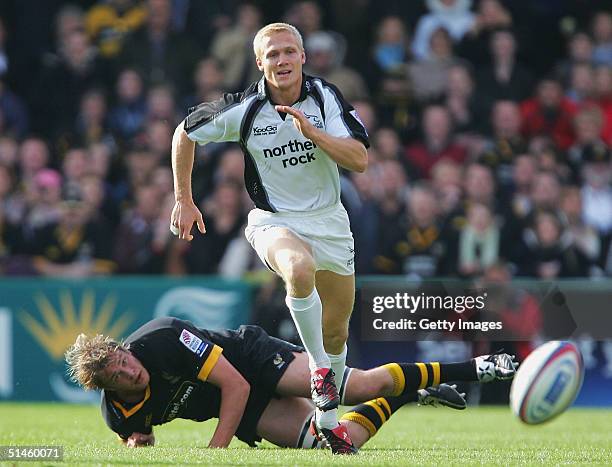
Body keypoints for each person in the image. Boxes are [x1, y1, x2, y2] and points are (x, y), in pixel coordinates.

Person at [170, 23, 369, 452]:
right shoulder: (244, 108)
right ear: (259, 62)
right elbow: (184, 133)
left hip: (330, 222)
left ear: (303, 57)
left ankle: (328, 421)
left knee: (336, 333)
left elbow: (359, 159)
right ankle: (317, 369)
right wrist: (184, 199)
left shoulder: (325, 97)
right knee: (298, 270)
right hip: (273, 221)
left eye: (289, 52)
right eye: (272, 54)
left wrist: (312, 134)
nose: (281, 61)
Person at [65, 317, 518, 451]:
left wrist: (214, 454)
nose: (130, 371)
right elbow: (138, 440)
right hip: (247, 413)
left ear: (124, 348)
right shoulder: (118, 415)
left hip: (255, 364)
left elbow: (236, 386)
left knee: (357, 387)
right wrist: (139, 445)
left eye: (123, 359)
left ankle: (478, 367)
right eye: (118, 375)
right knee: (335, 446)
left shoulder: (161, 340)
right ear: (107, 388)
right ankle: (403, 397)